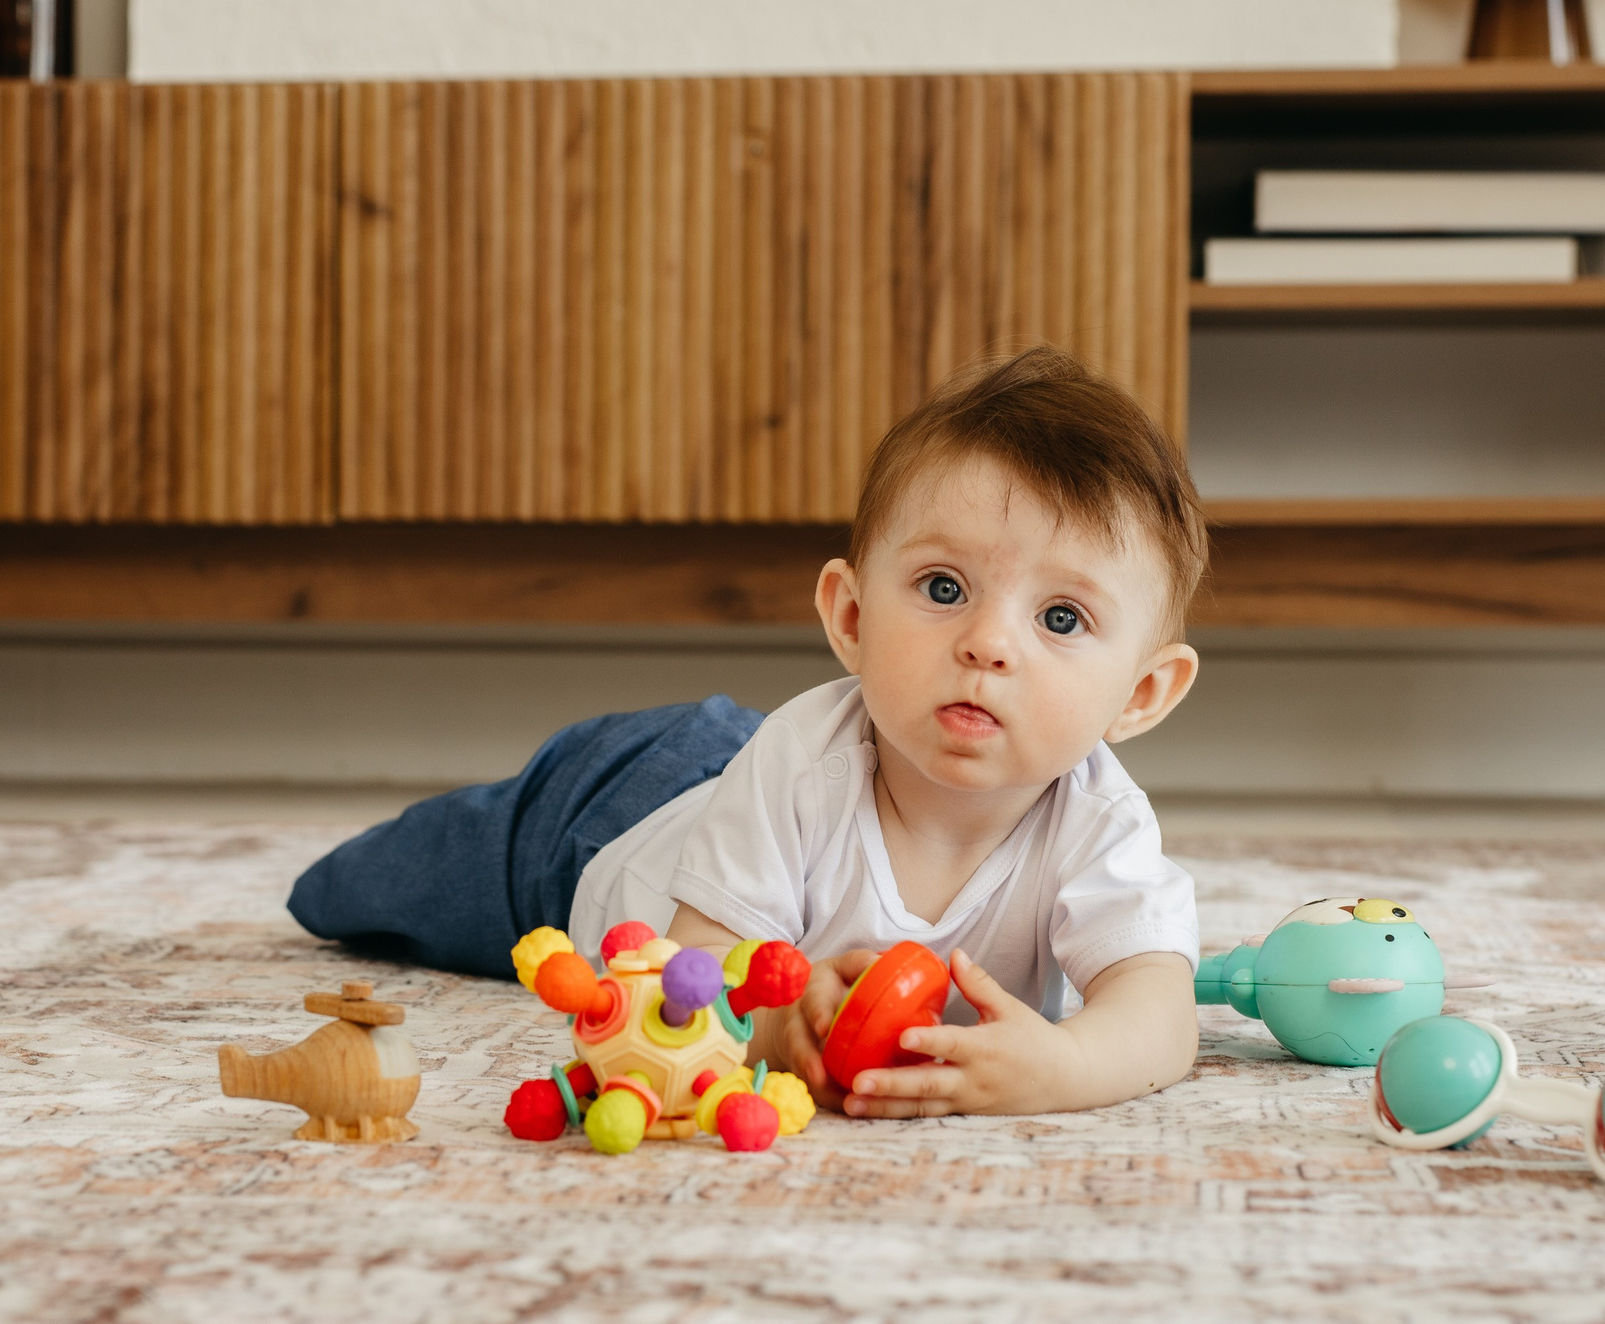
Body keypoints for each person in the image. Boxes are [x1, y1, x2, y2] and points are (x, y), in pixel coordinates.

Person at [288, 346, 1207, 1118]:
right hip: (615, 818)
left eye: (1060, 619)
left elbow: (1159, 1016)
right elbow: (689, 967)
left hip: (740, 784)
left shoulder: (1100, 823)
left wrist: (1066, 1068)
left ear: (1144, 692)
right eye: (943, 589)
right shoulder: (801, 764)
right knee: (383, 890)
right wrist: (773, 1018)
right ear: (849, 617)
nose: (987, 644)